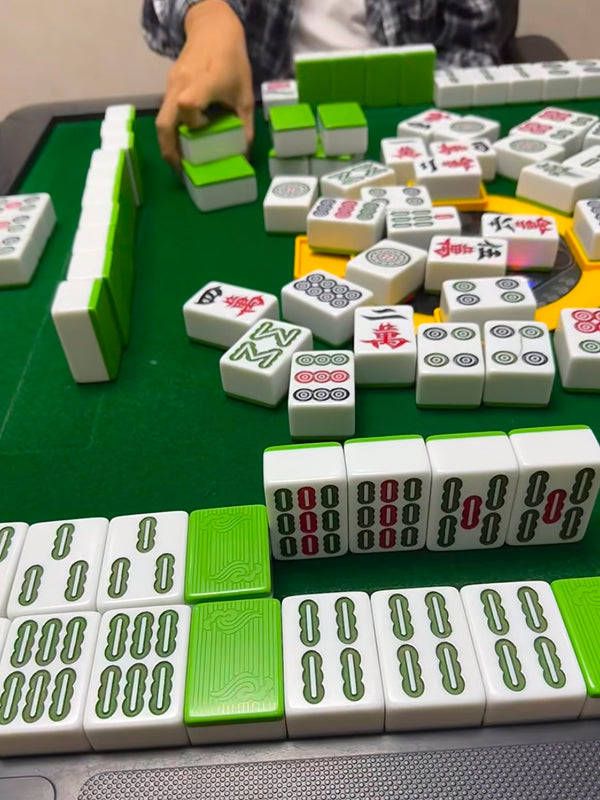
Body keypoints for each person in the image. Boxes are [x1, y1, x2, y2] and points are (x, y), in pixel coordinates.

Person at [143, 0, 501, 169]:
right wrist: (208, 16)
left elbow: (472, 44)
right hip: (266, 127)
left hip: (406, 125)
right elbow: (159, 14)